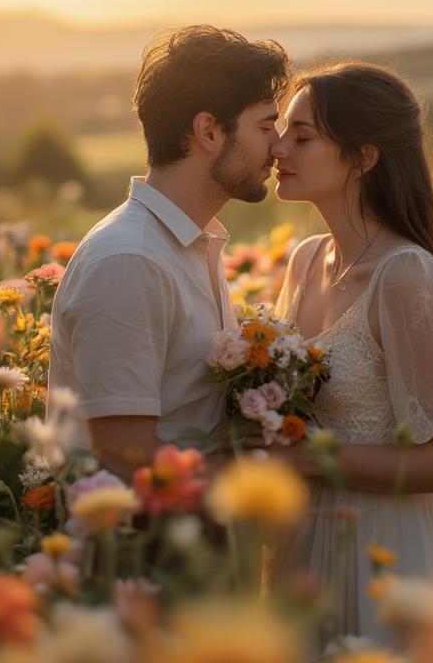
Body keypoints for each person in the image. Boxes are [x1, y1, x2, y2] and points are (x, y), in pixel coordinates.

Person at [267, 62, 433, 646]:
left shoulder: (405, 274)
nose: (278, 148)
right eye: (281, 129)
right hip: (306, 543)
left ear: (364, 158)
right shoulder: (306, 260)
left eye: (302, 136)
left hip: (388, 551)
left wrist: (312, 459)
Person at [47, 25, 289, 479]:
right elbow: (127, 460)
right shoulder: (131, 261)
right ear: (208, 132)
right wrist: (265, 479)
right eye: (264, 126)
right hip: (143, 548)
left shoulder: (191, 245)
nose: (277, 146)